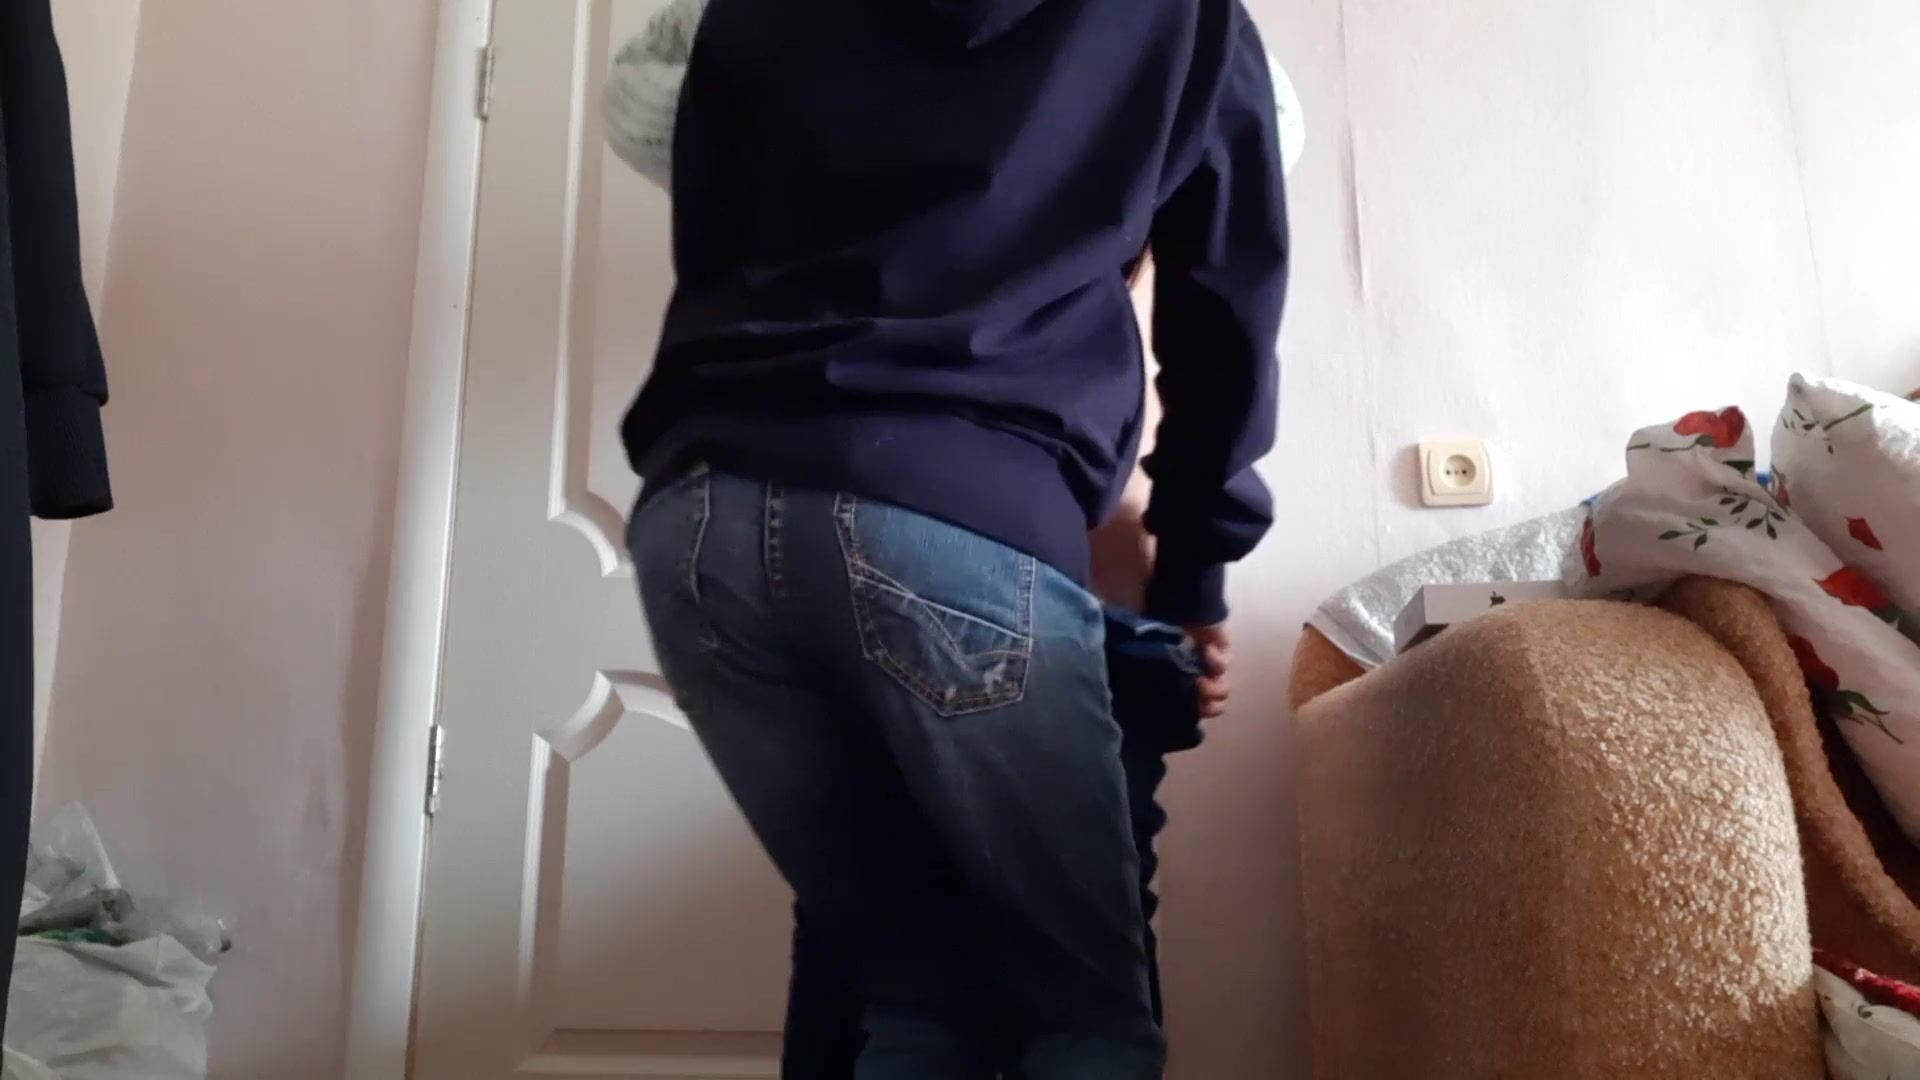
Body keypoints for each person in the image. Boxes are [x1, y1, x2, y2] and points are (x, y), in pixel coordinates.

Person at [615, 1, 1289, 1076]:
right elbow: (1225, 315)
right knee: (1083, 1017)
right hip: (955, 526)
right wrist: (1193, 581)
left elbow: (712, 247)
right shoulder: (1185, 17)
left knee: (917, 1001)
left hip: (702, 521)